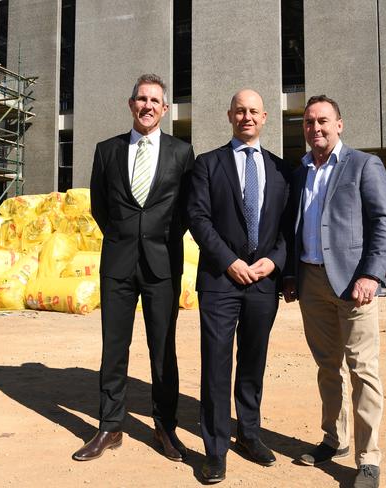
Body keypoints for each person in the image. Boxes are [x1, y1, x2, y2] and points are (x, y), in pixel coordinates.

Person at [72, 74, 195, 463]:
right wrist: (126, 237)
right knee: (114, 348)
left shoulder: (181, 152)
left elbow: (185, 211)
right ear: (131, 105)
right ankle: (110, 426)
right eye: (141, 99)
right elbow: (100, 208)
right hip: (118, 265)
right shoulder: (106, 150)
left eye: (154, 100)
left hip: (162, 265)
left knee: (163, 351)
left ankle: (165, 427)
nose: (147, 106)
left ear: (164, 109)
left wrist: (156, 239)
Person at [283, 95, 386, 488]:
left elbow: (384, 222)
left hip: (355, 285)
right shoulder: (299, 173)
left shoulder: (364, 165)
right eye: (310, 122)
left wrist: (372, 275)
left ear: (340, 124)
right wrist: (291, 276)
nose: (316, 128)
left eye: (324, 121)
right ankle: (335, 440)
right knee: (326, 367)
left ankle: (369, 459)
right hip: (312, 281)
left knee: (363, 369)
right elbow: (293, 228)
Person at [188, 89, 291, 483]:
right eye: (240, 111)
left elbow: (288, 227)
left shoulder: (282, 170)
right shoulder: (207, 164)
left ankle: (248, 434)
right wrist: (229, 262)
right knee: (216, 364)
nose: (246, 117)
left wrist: (276, 261)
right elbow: (198, 219)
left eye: (253, 111)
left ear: (265, 117)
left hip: (263, 282)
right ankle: (215, 449)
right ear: (229, 115)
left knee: (253, 361)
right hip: (219, 280)